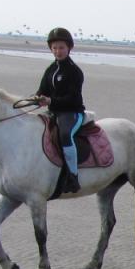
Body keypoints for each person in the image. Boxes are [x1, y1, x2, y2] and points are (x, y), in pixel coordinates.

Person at [35, 27, 85, 193]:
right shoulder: (50, 69)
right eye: (54, 48)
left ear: (69, 48)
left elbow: (72, 98)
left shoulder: (74, 71)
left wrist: (50, 101)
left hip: (72, 112)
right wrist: (37, 98)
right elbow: (42, 90)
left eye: (61, 47)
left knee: (65, 135)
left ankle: (73, 176)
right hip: (54, 111)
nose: (58, 51)